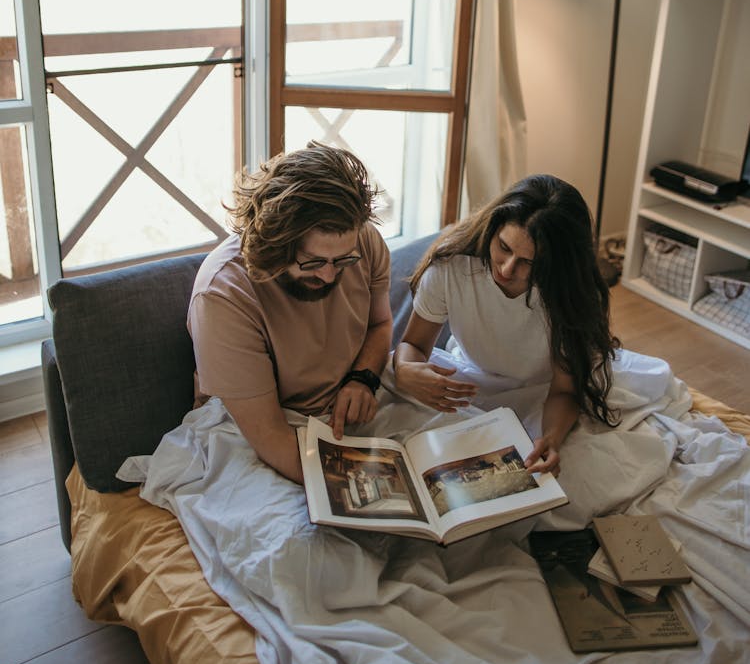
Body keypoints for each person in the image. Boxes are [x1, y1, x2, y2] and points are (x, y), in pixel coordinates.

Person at [189, 142, 392, 484]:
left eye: (342, 261)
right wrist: (350, 490)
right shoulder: (223, 295)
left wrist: (363, 378)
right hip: (257, 428)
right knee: (303, 535)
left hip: (351, 401)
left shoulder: (362, 241)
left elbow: (381, 323)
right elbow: (271, 436)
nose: (330, 275)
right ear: (276, 243)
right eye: (313, 262)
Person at [393, 174, 619, 479]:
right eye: (504, 247)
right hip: (471, 378)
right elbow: (414, 346)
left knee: (574, 480)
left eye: (529, 263)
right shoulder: (451, 265)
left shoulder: (567, 295)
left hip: (543, 394)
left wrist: (551, 439)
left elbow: (564, 391)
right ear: (494, 227)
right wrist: (406, 369)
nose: (507, 268)